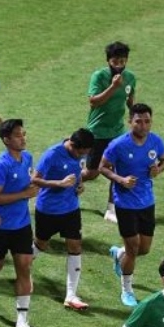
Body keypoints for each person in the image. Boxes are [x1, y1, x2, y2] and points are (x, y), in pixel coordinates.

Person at [99, 103, 164, 308]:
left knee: (144, 249)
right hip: (125, 203)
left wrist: (159, 170)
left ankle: (118, 254)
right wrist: (120, 179)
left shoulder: (155, 141)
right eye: (139, 121)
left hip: (147, 202)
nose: (143, 125)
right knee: (133, 248)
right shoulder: (118, 145)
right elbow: (102, 167)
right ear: (130, 122)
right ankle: (127, 289)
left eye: (147, 121)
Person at [0, 119, 39, 327]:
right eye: (18, 135)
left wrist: (33, 185)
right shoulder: (1, 166)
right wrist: (24, 194)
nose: (23, 138)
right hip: (0, 226)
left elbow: (29, 179)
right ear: (6, 140)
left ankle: (22, 321)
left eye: (23, 133)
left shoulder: (28, 158)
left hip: (21, 224)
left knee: (24, 267)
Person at [31, 128, 94, 311]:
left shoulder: (78, 153)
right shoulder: (52, 155)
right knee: (41, 245)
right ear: (73, 146)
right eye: (81, 153)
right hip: (48, 210)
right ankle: (22, 268)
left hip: (71, 209)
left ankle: (71, 295)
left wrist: (79, 186)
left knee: (75, 246)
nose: (82, 157)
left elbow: (77, 174)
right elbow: (34, 180)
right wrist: (58, 184)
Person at [83, 41, 136, 223]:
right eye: (115, 61)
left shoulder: (130, 77)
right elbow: (94, 101)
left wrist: (134, 112)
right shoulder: (99, 76)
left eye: (123, 61)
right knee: (92, 173)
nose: (119, 65)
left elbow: (129, 99)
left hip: (118, 132)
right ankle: (65, 183)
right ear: (108, 61)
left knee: (118, 169)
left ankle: (111, 209)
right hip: (98, 131)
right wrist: (113, 87)